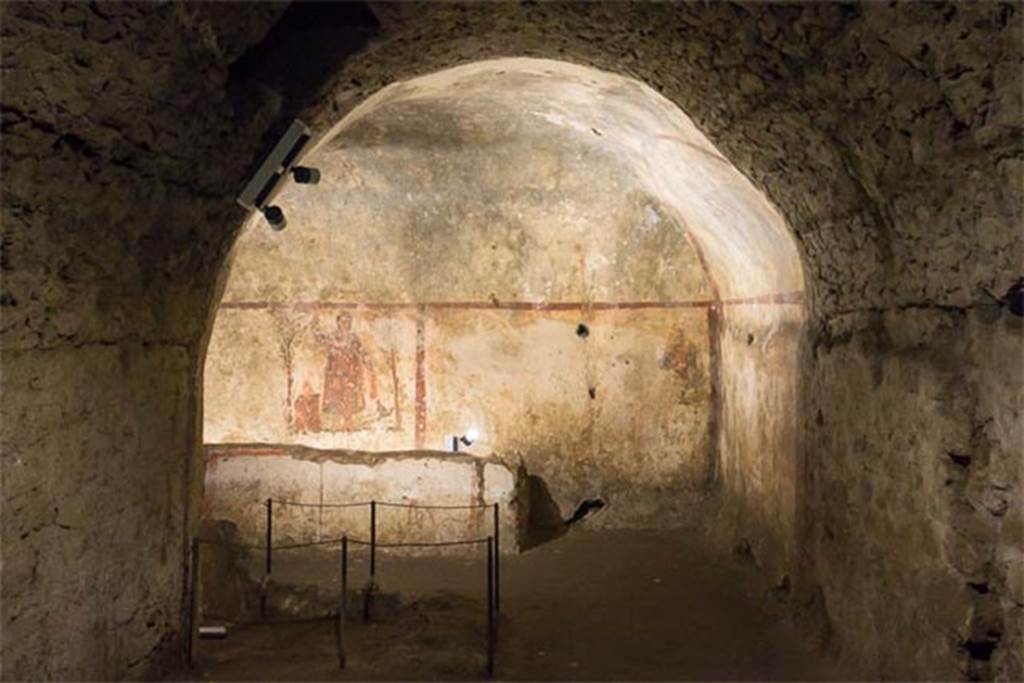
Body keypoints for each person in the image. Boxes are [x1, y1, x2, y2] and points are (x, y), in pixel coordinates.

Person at [314, 311, 379, 431]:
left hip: (350, 374)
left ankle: (348, 421)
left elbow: (361, 352)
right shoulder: (332, 337)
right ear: (338, 323)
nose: (346, 324)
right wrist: (315, 318)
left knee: (350, 396)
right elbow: (319, 338)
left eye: (348, 322)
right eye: (343, 321)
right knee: (337, 396)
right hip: (336, 373)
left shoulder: (353, 338)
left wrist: (370, 366)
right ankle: (343, 421)